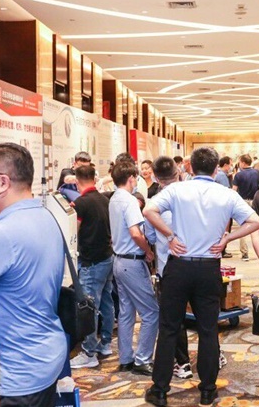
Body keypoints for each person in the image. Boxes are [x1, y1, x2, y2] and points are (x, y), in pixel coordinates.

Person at [143, 147, 259, 407]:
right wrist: (228, 238)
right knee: (208, 330)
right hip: (209, 268)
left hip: (178, 266)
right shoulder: (226, 194)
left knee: (169, 328)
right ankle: (208, 390)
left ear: (189, 167)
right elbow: (255, 222)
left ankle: (160, 390)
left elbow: (148, 211)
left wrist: (169, 235)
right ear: (216, 169)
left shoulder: (176, 189)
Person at [0, 142, 66, 406]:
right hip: (45, 357)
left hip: (14, 373)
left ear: (2, 182)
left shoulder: (1, 234)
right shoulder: (46, 217)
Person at [144, 156, 193, 380]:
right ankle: (215, 355)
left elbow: (151, 236)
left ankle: (183, 363)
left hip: (169, 268)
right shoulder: (193, 197)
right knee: (206, 316)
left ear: (155, 177)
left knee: (174, 320)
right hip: (199, 263)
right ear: (178, 171)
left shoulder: (154, 204)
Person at [109, 161, 158, 376]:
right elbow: (136, 233)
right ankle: (143, 359)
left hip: (119, 260)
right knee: (151, 312)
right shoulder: (129, 201)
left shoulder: (113, 199)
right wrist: (148, 251)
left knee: (126, 312)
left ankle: (126, 358)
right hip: (132, 261)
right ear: (131, 178)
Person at [68, 164, 115, 369]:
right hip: (107, 257)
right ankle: (105, 343)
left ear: (77, 182)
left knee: (89, 307)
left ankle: (89, 352)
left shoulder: (81, 203)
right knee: (106, 302)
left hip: (91, 262)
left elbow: (73, 231)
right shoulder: (104, 199)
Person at [233, 153, 259, 261]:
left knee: (243, 227)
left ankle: (245, 253)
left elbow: (234, 190)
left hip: (243, 202)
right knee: (256, 227)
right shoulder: (257, 173)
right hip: (255, 201)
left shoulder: (238, 175)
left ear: (243, 162)